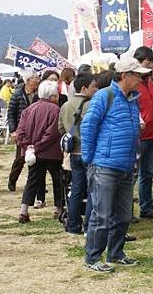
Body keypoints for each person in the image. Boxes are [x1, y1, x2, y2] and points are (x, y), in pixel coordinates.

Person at [80, 55, 149, 273]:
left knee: (122, 215)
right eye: (137, 75)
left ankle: (116, 253)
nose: (140, 79)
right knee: (101, 215)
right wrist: (89, 158)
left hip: (126, 165)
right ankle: (93, 257)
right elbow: (88, 127)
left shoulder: (132, 99)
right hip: (105, 165)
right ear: (125, 76)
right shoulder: (104, 96)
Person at [17, 80, 63, 223]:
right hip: (51, 153)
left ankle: (23, 211)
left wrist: (29, 146)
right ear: (53, 95)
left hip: (33, 154)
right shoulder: (56, 110)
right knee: (57, 180)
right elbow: (52, 134)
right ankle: (59, 208)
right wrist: (38, 146)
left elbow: (20, 132)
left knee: (31, 181)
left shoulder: (29, 109)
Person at [58, 73, 97, 235]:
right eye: (93, 86)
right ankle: (88, 226)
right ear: (84, 88)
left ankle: (73, 225)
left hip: (73, 152)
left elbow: (60, 128)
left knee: (76, 189)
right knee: (91, 191)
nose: (96, 89)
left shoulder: (65, 106)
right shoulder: (91, 105)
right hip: (89, 151)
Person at [133, 46, 153, 220]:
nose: (151, 67)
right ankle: (127, 211)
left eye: (152, 64)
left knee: (148, 173)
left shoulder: (150, 83)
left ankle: (146, 207)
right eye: (148, 63)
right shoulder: (133, 83)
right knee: (133, 174)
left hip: (152, 134)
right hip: (139, 135)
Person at [7, 69, 40, 191]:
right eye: (35, 78)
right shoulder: (17, 94)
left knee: (37, 158)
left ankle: (35, 184)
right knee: (20, 158)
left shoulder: (39, 94)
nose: (38, 79)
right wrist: (13, 130)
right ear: (28, 80)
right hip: (22, 131)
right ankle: (12, 180)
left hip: (36, 130)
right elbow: (11, 113)